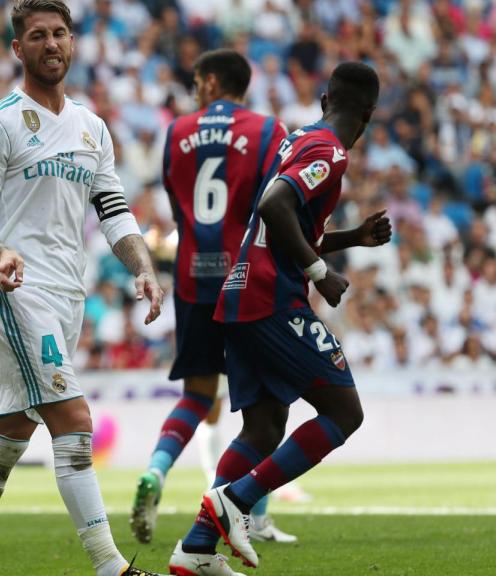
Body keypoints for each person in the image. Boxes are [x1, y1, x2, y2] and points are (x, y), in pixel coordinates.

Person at [0, 2, 164, 575]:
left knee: (7, 438)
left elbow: (113, 208)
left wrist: (143, 266)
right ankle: (111, 567)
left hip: (67, 294)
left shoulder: (91, 126)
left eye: (59, 33)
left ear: (73, 43)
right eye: (37, 35)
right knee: (75, 422)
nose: (51, 43)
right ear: (17, 49)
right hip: (14, 289)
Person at [168, 62, 388, 575]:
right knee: (344, 413)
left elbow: (285, 220)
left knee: (264, 428)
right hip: (272, 298)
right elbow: (272, 205)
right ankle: (235, 502)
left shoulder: (298, 139)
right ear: (371, 114)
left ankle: (197, 548)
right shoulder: (328, 151)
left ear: (324, 97)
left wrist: (352, 237)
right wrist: (321, 271)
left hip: (241, 295)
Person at [130, 49, 296, 546]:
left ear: (208, 82)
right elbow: (274, 204)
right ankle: (248, 515)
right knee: (264, 407)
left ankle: (157, 472)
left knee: (199, 395)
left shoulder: (177, 132)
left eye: (197, 81)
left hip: (192, 279)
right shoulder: (269, 130)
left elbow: (181, 208)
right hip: (247, 278)